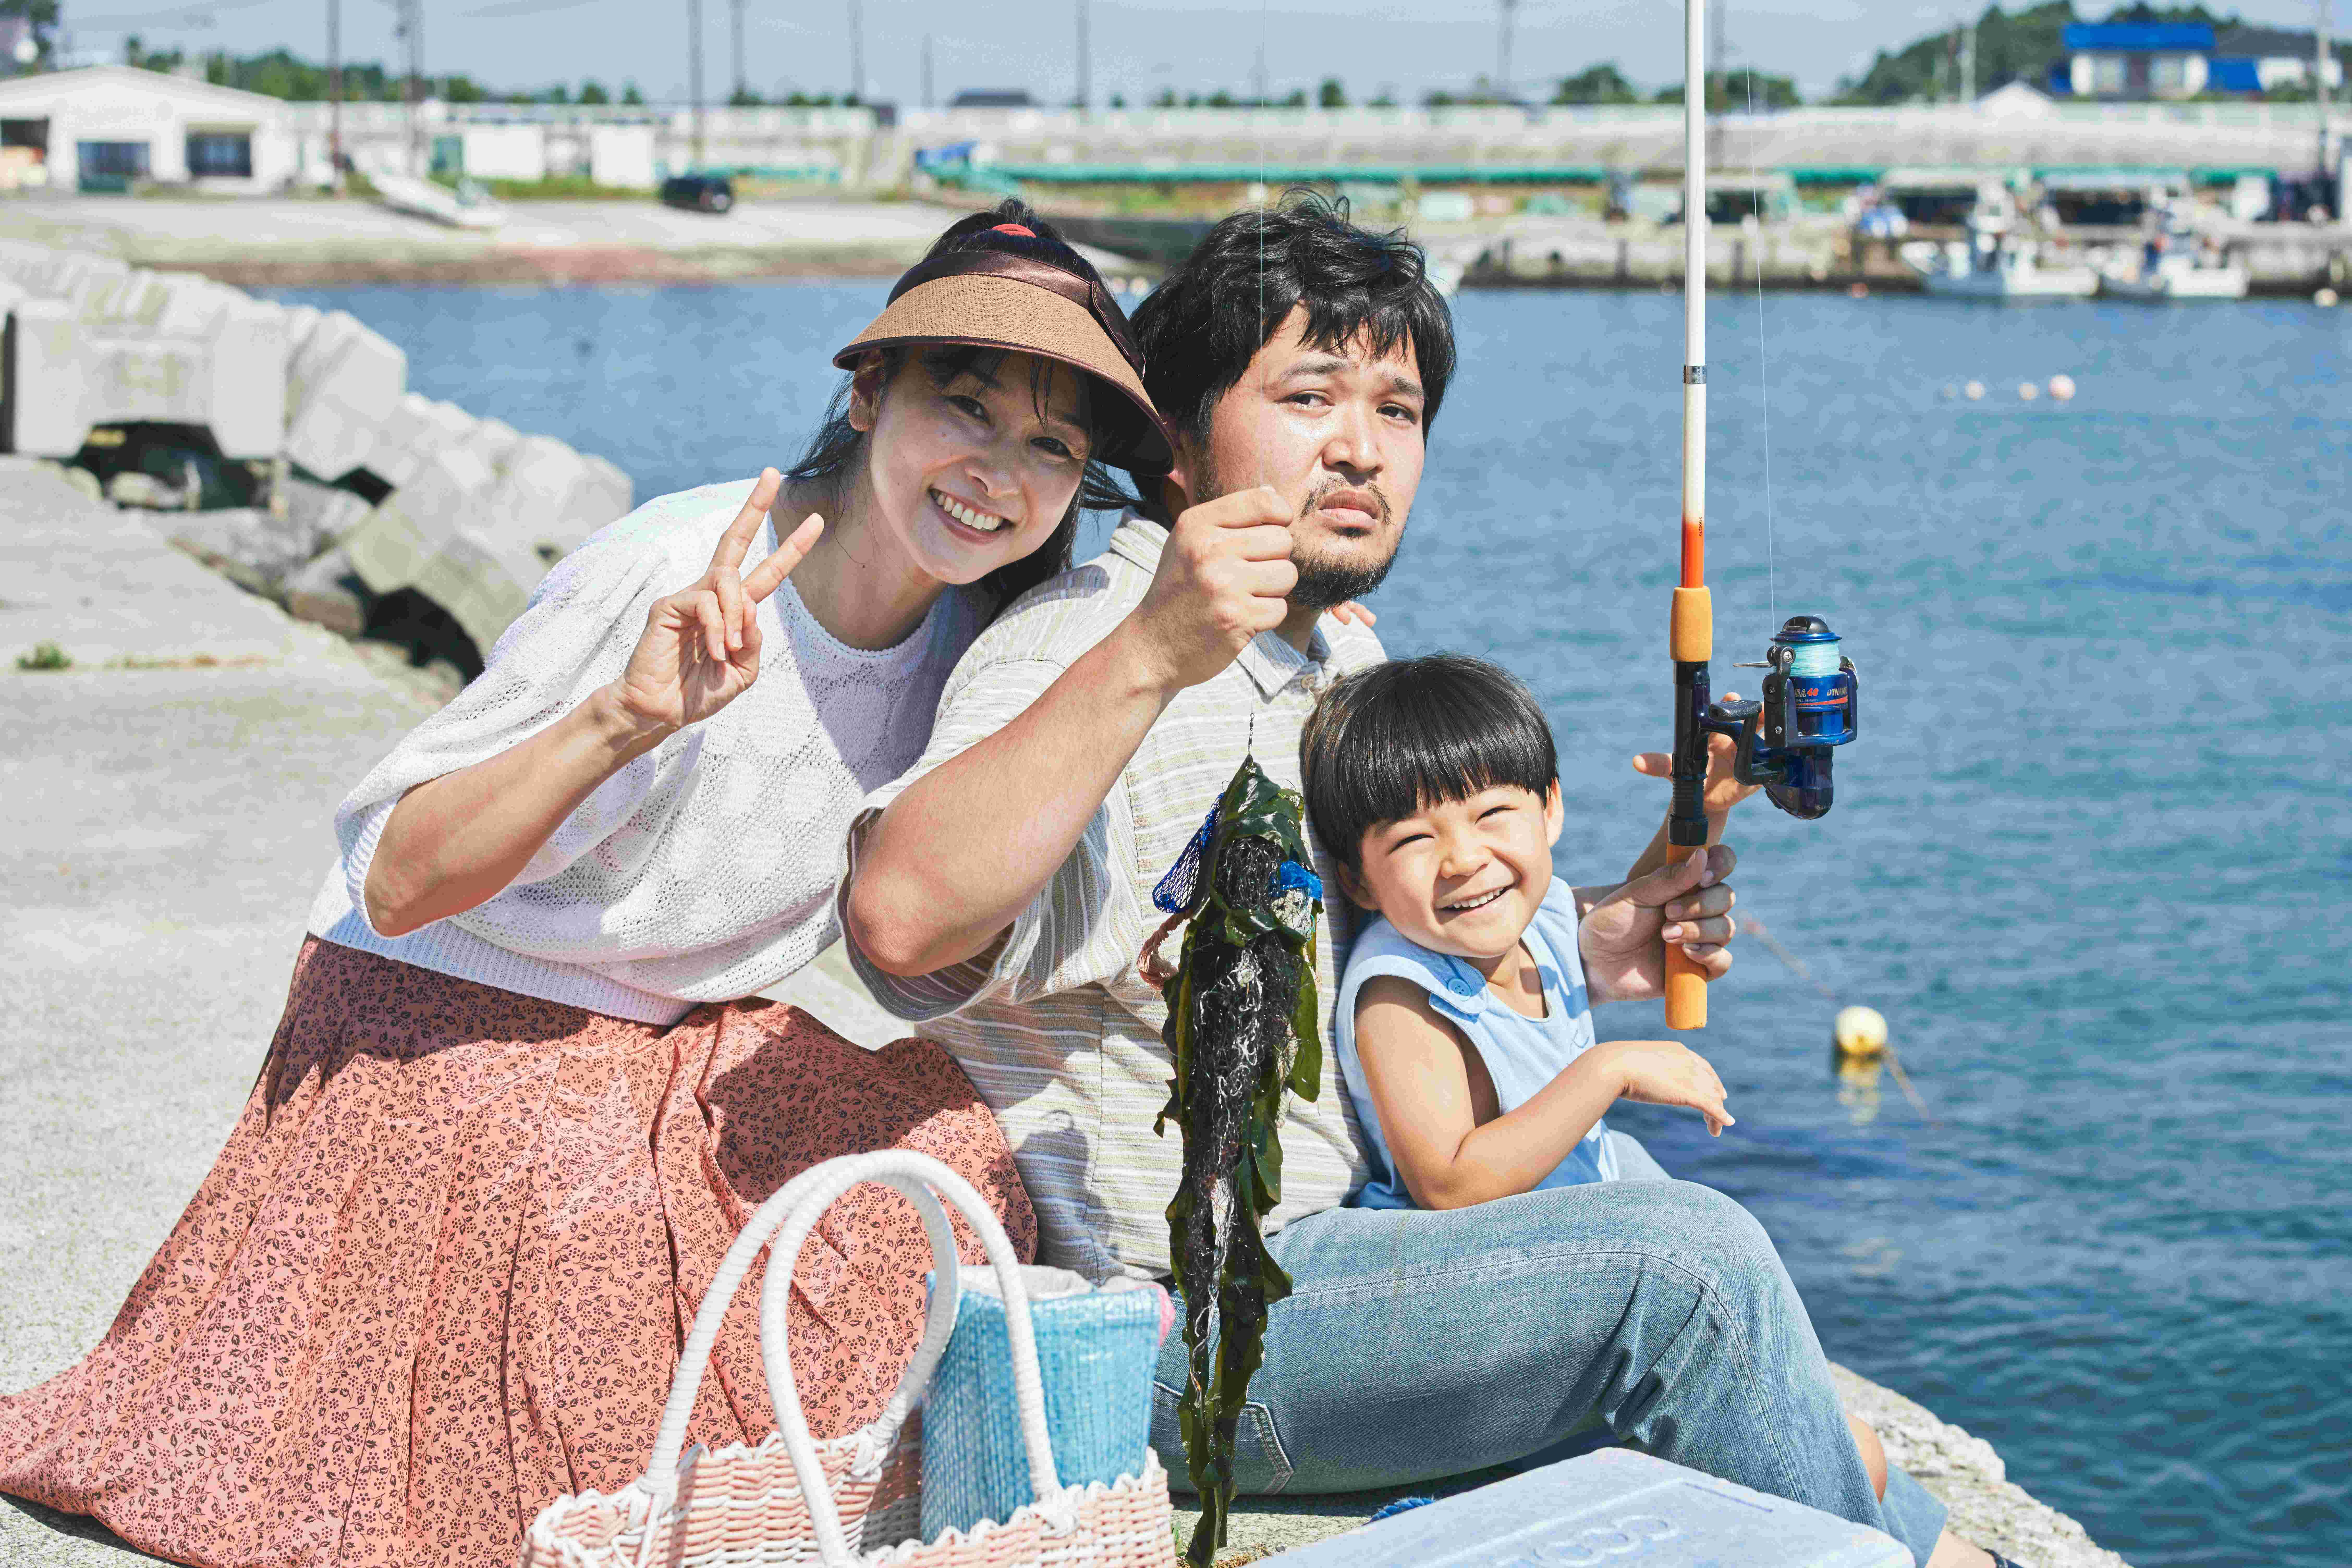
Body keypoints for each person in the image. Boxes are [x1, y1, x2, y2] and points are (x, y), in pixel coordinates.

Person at [842, 193, 2003, 1568]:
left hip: (1361, 1254)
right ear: (1176, 440)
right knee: (1686, 1271)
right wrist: (1147, 657)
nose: (1361, 447)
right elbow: (904, 918)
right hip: (1182, 1331)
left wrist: (1608, 928)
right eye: (1308, 396)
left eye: (1397, 410)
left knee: (1762, 1364)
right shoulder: (1095, 645)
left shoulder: (1330, 656)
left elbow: (1377, 941)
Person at [0, 202, 1166, 1568]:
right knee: (593, 1253)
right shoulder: (673, 573)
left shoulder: (982, 637)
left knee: (946, 1163)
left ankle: (796, 1487)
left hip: (666, 1044)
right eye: (966, 407)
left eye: (1052, 448)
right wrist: (624, 719)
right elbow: (399, 880)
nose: (997, 474)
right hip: (436, 1020)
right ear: (867, 395)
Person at [1300, 651, 1890, 1503]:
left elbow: (1654, 893)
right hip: (1491, 1319)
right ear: (1357, 878)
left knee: (1850, 1453)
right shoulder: (1402, 993)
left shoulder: (1538, 914)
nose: (1464, 859)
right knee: (1845, 1459)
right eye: (1415, 840)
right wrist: (1608, 1068)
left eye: (1493, 814)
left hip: (1577, 1289)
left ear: (1551, 808)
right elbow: (1449, 1184)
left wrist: (1709, 803)